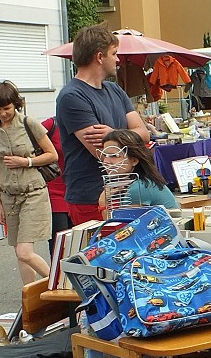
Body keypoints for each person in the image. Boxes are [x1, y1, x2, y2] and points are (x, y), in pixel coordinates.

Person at [56, 24, 149, 224]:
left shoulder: (115, 90)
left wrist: (113, 134)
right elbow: (107, 156)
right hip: (91, 198)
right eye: (114, 54)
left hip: (123, 193)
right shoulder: (72, 97)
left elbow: (144, 133)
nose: (117, 60)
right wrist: (125, 137)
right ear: (99, 57)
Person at [0, 81, 58, 284]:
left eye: (7, 108)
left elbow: (53, 155)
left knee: (25, 252)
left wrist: (26, 161)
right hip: (9, 197)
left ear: (15, 104)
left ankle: (60, 287)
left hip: (33, 193)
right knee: (19, 252)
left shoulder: (29, 123)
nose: (3, 113)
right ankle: (30, 302)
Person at [98, 129, 177, 210]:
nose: (105, 161)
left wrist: (103, 203)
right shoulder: (142, 182)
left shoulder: (139, 188)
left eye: (114, 156)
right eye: (105, 155)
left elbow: (122, 222)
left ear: (134, 161)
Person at [41, 117, 71, 257]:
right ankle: (57, 276)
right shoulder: (51, 125)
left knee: (79, 240)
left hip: (78, 189)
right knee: (59, 240)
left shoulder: (88, 125)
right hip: (54, 189)